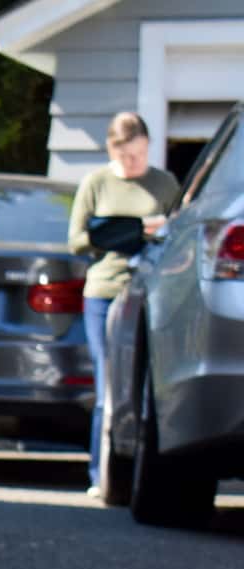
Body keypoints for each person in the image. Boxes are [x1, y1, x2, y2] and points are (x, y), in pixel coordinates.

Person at [68, 112, 180, 498]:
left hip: (147, 290)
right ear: (111, 150)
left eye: (138, 155)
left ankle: (144, 475)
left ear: (148, 147)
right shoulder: (96, 183)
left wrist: (155, 230)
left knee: (144, 382)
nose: (132, 164)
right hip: (104, 290)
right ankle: (102, 475)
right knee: (107, 382)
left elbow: (178, 231)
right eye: (124, 157)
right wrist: (115, 233)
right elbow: (76, 240)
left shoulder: (164, 184)